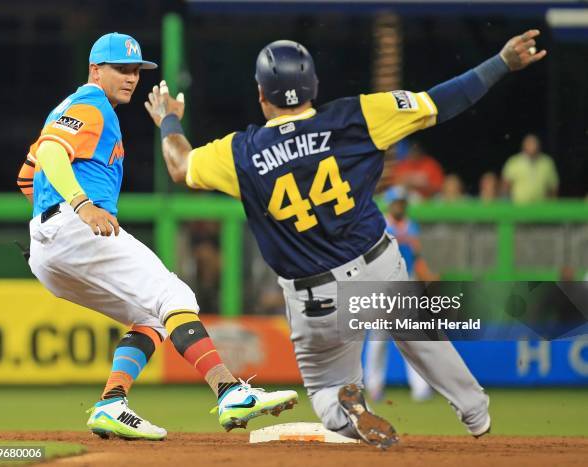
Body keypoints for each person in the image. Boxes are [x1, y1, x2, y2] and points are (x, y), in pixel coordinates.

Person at [145, 31, 546, 449]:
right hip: (377, 265)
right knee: (421, 335)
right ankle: (475, 412)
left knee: (325, 391)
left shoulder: (240, 153)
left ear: (261, 94)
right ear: (314, 87)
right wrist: (501, 62)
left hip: (314, 298)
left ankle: (345, 406)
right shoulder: (358, 115)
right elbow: (441, 102)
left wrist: (168, 118)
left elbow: (179, 164)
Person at [15, 32, 297, 440]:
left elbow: (29, 174)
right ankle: (230, 391)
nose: (131, 77)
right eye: (121, 69)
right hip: (76, 226)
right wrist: (77, 205)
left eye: (136, 70)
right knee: (175, 297)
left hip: (49, 247)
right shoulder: (90, 105)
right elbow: (53, 155)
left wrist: (49, 218)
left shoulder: (66, 110)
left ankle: (112, 403)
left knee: (150, 318)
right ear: (96, 69)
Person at [364, 186, 437, 403]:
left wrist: (428, 277)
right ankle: (374, 386)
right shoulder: (380, 225)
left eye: (402, 202)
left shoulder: (411, 226)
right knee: (378, 339)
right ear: (390, 204)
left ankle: (420, 388)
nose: (400, 205)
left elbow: (417, 258)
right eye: (397, 202)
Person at [501, 133, 559, 203]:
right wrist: (507, 204)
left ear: (539, 146)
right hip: (519, 207)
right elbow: (506, 185)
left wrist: (551, 204)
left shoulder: (547, 162)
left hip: (541, 207)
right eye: (529, 144)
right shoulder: (514, 162)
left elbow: (553, 186)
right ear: (524, 146)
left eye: (534, 144)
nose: (532, 146)